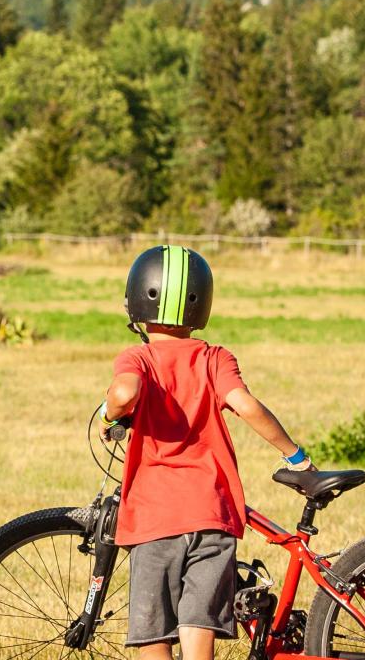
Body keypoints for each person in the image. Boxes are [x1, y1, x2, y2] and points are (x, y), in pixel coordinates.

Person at [101, 245, 314, 660]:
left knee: (153, 635)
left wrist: (112, 416)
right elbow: (247, 405)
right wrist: (296, 456)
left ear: (136, 302)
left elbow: (125, 393)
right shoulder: (216, 357)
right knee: (199, 633)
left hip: (154, 519)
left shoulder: (138, 357)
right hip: (213, 514)